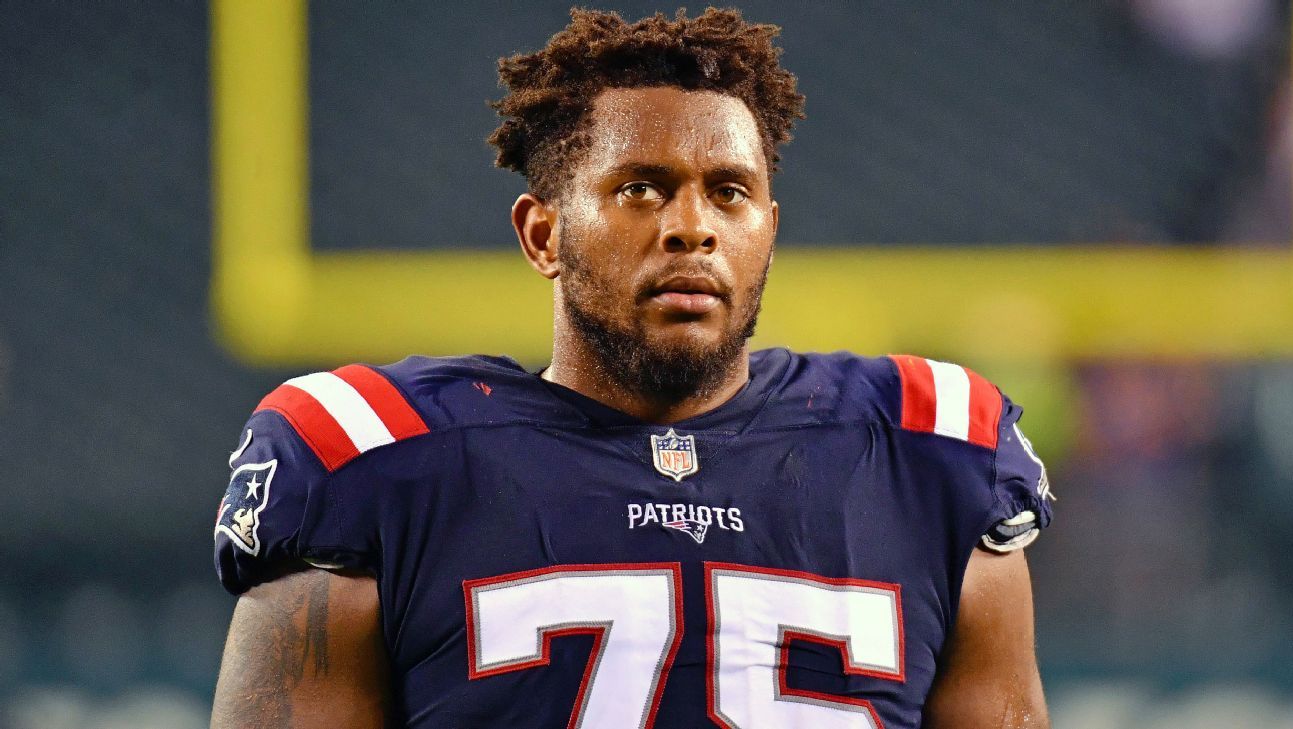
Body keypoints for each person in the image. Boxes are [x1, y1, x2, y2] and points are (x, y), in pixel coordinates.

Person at [210, 8, 1053, 728]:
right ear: (543, 234)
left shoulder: (927, 456)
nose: (693, 226)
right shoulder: (372, 462)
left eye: (729, 191)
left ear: (768, 225)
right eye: (641, 189)